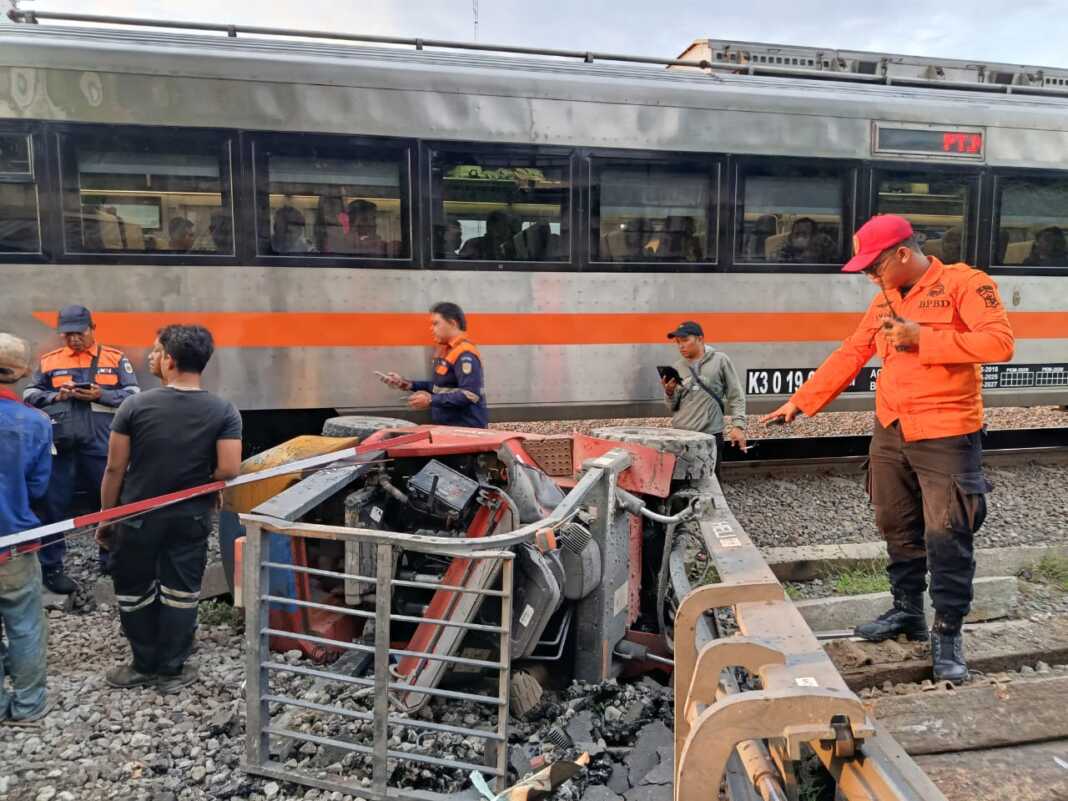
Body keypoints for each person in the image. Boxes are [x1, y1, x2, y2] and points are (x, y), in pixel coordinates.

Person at [761, 214, 1014, 684]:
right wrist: (802, 401)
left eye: (873, 266)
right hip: (892, 428)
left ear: (902, 253)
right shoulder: (885, 298)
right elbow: (852, 352)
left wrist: (923, 338)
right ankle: (907, 610)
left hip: (946, 431)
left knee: (947, 534)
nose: (869, 276)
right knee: (896, 523)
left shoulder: (964, 284)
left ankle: (947, 632)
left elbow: (1000, 343)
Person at [98, 325, 242, 692]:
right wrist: (205, 481)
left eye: (155, 351)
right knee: (181, 591)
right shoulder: (223, 410)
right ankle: (172, 670)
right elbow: (229, 469)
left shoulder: (134, 406)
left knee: (134, 588)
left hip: (136, 517)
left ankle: (143, 664)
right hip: (189, 516)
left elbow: (115, 468)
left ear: (170, 360)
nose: (151, 357)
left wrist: (106, 518)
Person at [24, 305, 139, 590]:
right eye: (68, 334)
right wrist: (55, 397)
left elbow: (134, 394)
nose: (74, 339)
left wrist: (102, 394)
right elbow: (29, 393)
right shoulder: (50, 361)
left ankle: (112, 560)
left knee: (109, 501)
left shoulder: (114, 358)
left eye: (80, 332)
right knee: (53, 506)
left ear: (92, 329)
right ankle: (52, 567)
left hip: (102, 443)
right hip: (62, 445)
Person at [0, 332, 52, 724]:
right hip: (15, 543)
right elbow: (38, 488)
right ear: (20, 374)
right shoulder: (36, 422)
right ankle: (29, 704)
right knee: (25, 624)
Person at [378, 302, 488, 428]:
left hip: (466, 429)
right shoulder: (447, 351)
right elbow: (438, 387)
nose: (431, 328)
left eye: (436, 323)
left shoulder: (465, 354)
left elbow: (470, 394)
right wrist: (405, 383)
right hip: (450, 427)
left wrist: (430, 400)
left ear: (453, 323)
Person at [661, 321, 748, 470]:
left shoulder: (720, 360)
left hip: (710, 436)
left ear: (700, 339)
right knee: (681, 480)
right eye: (678, 342)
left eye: (685, 340)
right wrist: (669, 392)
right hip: (681, 436)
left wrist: (738, 426)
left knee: (710, 479)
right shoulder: (677, 367)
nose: (681, 346)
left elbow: (736, 394)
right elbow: (672, 407)